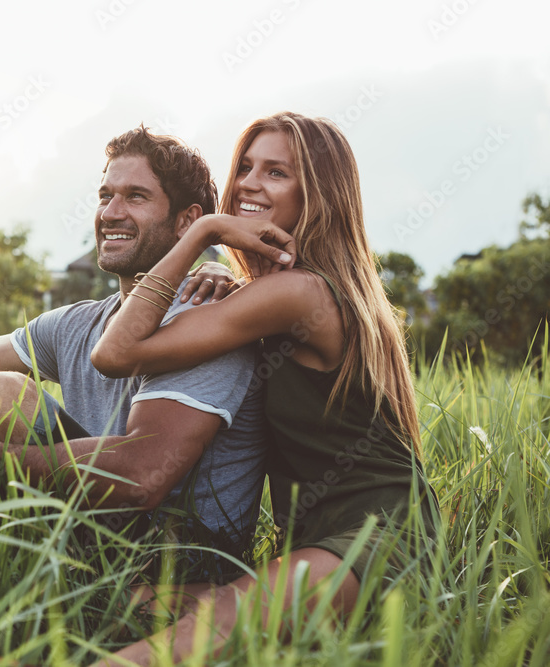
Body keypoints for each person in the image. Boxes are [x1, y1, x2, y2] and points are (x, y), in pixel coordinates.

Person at [0, 126, 290, 581]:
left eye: (136, 197)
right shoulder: (80, 322)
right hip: (100, 533)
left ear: (188, 221)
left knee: (4, 393)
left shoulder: (208, 317)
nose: (111, 212)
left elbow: (143, 477)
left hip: (176, 559)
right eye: (105, 195)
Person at [90, 112, 438, 664]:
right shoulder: (280, 294)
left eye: (276, 172)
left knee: (201, 632)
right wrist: (225, 276)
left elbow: (115, 352)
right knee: (133, 600)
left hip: (379, 536)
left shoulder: (299, 294)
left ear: (318, 195)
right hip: (314, 541)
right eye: (246, 167)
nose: (250, 183)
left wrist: (205, 232)